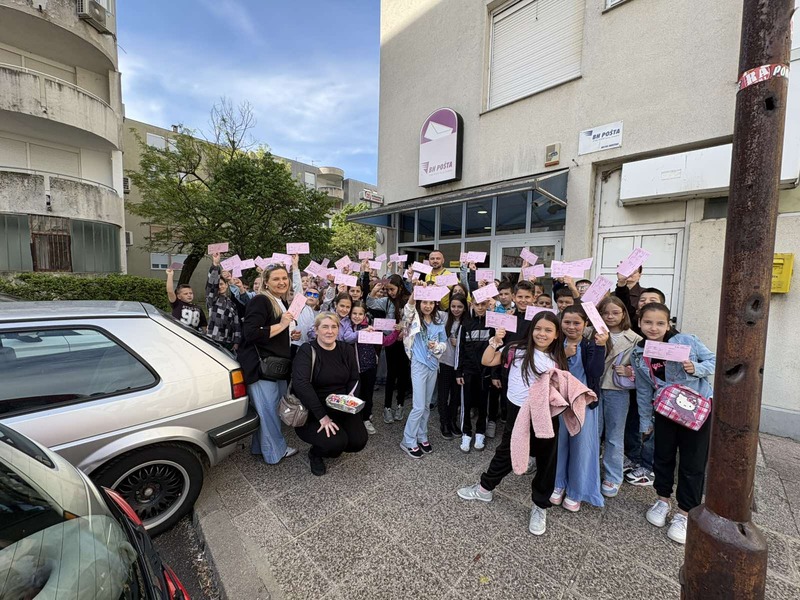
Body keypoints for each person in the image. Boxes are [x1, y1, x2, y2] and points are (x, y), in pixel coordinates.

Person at [457, 312, 569, 536]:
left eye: (548, 330)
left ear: (557, 334)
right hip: (516, 411)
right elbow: (487, 360)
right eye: (538, 328)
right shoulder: (516, 350)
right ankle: (485, 488)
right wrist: (496, 341)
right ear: (531, 329)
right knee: (506, 451)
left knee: (547, 459)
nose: (542, 334)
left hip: (545, 414)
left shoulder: (558, 357)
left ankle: (540, 505)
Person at [632, 302, 715, 544]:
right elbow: (643, 389)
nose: (654, 328)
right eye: (648, 322)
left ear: (668, 324)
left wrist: (696, 367)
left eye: (660, 323)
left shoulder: (686, 341)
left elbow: (714, 361)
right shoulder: (638, 352)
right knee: (663, 456)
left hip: (695, 410)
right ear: (639, 323)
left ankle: (685, 513)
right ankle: (662, 500)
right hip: (665, 410)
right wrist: (645, 421)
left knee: (693, 461)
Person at [292, 312, 368, 476]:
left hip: (341, 405)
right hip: (314, 410)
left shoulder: (346, 349)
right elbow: (301, 384)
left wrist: (351, 399)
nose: (330, 331)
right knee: (335, 444)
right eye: (325, 327)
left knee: (358, 441)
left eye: (334, 327)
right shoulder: (307, 350)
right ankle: (315, 453)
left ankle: (336, 438)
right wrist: (322, 417)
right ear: (316, 330)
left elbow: (354, 378)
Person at [237, 265, 299, 465]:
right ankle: (275, 453)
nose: (282, 282)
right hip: (262, 367)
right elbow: (251, 333)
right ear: (266, 282)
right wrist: (282, 325)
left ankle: (259, 447)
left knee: (267, 411)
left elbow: (274, 330)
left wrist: (288, 332)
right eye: (276, 279)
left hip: (274, 366)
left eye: (284, 278)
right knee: (270, 412)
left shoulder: (279, 300)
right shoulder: (261, 300)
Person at [551, 306, 606, 512]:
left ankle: (576, 490)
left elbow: (595, 372)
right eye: (567, 322)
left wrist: (600, 347)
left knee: (582, 447)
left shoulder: (591, 345)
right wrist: (563, 355)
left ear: (585, 324)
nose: (571, 327)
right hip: (559, 404)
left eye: (577, 323)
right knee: (559, 445)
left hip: (584, 404)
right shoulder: (556, 344)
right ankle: (558, 483)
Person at [596, 295, 641, 498]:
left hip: (618, 390)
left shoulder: (635, 339)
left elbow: (643, 368)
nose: (610, 316)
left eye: (615, 312)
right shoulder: (591, 332)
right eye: (605, 313)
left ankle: (613, 476)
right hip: (593, 388)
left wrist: (630, 371)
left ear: (624, 314)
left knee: (615, 435)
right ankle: (589, 471)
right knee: (592, 433)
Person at [624, 286, 668, 485]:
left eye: (653, 300)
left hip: (670, 398)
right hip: (644, 392)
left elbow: (708, 362)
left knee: (660, 435)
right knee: (642, 427)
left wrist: (695, 368)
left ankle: (652, 468)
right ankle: (639, 462)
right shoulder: (638, 344)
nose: (653, 327)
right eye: (643, 300)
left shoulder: (678, 340)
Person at [399, 287, 446, 458]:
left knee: (426, 405)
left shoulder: (439, 320)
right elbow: (408, 308)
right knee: (418, 406)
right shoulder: (414, 318)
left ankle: (422, 435)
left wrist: (437, 347)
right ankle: (408, 440)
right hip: (418, 364)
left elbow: (444, 342)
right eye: (424, 302)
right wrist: (415, 291)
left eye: (431, 302)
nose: (428, 305)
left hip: (433, 364)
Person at [367, 274, 412, 424]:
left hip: (405, 341)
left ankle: (400, 405)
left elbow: (414, 318)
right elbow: (370, 302)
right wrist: (375, 290)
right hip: (391, 340)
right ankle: (387, 407)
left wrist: (404, 328)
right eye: (387, 290)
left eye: (392, 289)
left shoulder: (409, 300)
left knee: (403, 373)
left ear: (400, 287)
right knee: (391, 373)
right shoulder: (387, 301)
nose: (390, 292)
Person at [456, 297, 493, 453]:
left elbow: (496, 349)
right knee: (466, 403)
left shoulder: (492, 324)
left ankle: (480, 432)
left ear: (488, 304)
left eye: (483, 304)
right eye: (477, 304)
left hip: (485, 372)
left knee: (484, 403)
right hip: (468, 371)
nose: (480, 307)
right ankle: (466, 433)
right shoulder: (465, 324)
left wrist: (493, 372)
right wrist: (459, 371)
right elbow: (460, 349)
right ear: (472, 304)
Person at [438, 294, 466, 439]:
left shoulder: (467, 321)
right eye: (453, 306)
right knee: (443, 395)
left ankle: (452, 421)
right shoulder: (443, 317)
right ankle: (444, 423)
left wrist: (460, 342)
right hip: (444, 362)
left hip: (459, 365)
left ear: (465, 307)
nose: (456, 309)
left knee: (455, 396)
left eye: (459, 306)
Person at [349, 301, 379, 434]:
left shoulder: (369, 327)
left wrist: (395, 333)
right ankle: (355, 420)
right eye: (354, 313)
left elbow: (382, 341)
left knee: (368, 393)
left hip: (369, 366)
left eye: (360, 314)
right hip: (353, 368)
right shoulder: (347, 327)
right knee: (355, 394)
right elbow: (346, 338)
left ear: (365, 315)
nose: (357, 316)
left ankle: (366, 418)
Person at [205, 253, 242, 350]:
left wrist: (237, 341)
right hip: (213, 338)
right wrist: (215, 265)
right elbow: (211, 284)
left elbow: (236, 323)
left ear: (226, 285)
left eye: (221, 284)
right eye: (218, 285)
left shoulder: (232, 303)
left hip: (228, 341)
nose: (219, 287)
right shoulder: (212, 299)